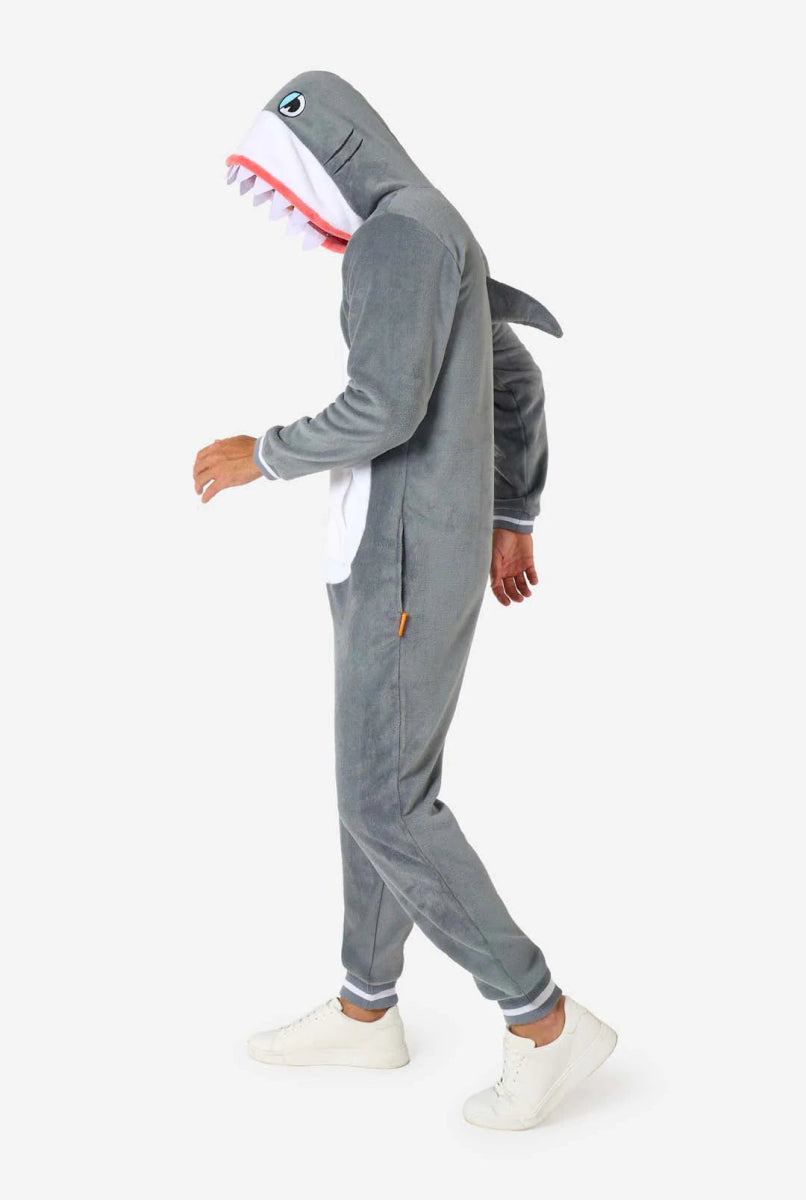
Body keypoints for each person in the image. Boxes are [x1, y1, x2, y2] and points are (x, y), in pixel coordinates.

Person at [193, 70, 616, 1131]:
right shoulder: (435, 224)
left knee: (385, 798)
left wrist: (261, 453)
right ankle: (365, 1006)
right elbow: (515, 383)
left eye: (285, 185)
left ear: (325, 155)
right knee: (373, 788)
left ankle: (543, 1021)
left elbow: (382, 407)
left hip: (400, 562)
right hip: (397, 554)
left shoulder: (398, 235)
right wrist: (512, 510)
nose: (293, 216)